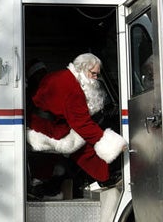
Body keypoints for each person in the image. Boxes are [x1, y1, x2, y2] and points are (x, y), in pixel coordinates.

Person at [27, 53, 127, 183]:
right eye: (94, 73)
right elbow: (82, 124)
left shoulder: (64, 77)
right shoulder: (73, 90)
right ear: (83, 69)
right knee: (77, 144)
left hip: (41, 120)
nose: (96, 78)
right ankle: (106, 176)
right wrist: (114, 144)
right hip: (45, 124)